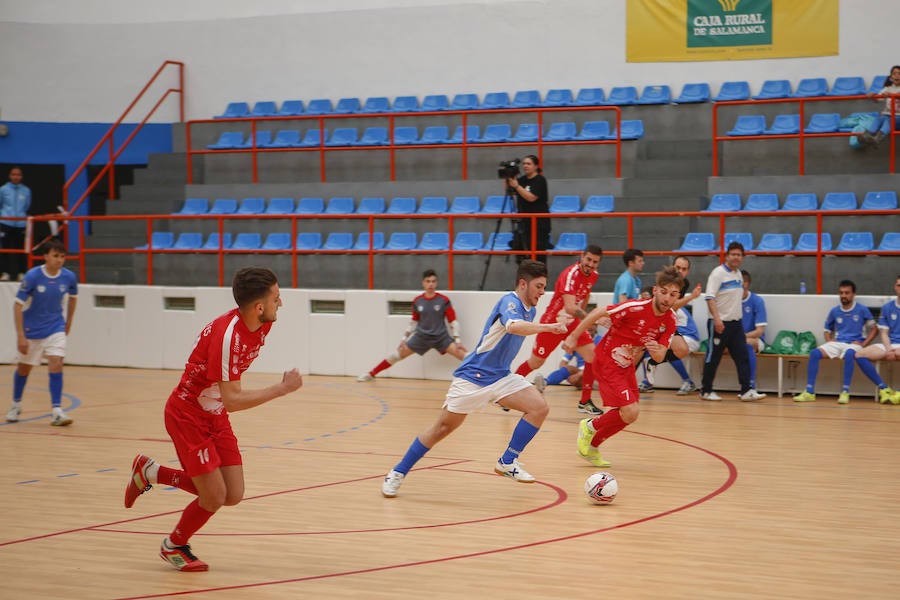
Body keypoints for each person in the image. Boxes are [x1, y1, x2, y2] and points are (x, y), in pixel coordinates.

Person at [123, 267, 303, 571]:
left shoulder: (262, 324)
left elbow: (225, 400)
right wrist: (281, 389)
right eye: (277, 298)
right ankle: (174, 546)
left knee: (232, 494)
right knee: (214, 496)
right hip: (187, 416)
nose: (280, 304)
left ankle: (151, 472)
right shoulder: (227, 336)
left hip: (213, 413)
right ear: (259, 307)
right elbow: (232, 399)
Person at [381, 261, 568, 498]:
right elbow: (513, 327)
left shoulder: (530, 309)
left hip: (501, 377)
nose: (542, 292)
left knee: (539, 408)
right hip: (473, 377)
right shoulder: (509, 302)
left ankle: (507, 461)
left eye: (544, 287)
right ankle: (398, 472)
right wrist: (548, 328)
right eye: (539, 286)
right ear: (523, 283)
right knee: (442, 428)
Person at [565, 266, 683, 468]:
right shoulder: (635, 307)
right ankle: (590, 426)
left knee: (630, 414)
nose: (667, 298)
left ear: (678, 297)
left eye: (673, 295)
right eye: (664, 292)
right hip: (607, 360)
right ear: (655, 290)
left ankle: (592, 447)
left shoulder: (670, 320)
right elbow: (598, 312)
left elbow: (661, 354)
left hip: (625, 365)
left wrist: (655, 350)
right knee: (630, 410)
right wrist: (574, 336)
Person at [513, 245, 604, 414]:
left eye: (595, 262)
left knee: (593, 356)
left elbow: (584, 298)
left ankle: (585, 402)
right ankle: (508, 391)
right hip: (553, 323)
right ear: (582, 257)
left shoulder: (594, 276)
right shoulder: (571, 274)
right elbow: (570, 307)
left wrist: (582, 320)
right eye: (588, 259)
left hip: (572, 322)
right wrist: (592, 318)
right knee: (536, 362)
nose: (591, 264)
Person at [5, 239, 78, 426]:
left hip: (55, 327)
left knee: (56, 363)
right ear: (45, 256)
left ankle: (56, 411)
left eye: (62, 256)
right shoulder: (32, 276)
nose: (59, 260)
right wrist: (21, 335)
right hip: (32, 330)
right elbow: (17, 306)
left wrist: (68, 321)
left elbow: (73, 298)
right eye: (55, 256)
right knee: (24, 369)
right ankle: (16, 404)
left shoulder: (69, 277)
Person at [357, 269, 467, 382]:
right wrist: (404, 339)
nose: (431, 284)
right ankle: (371, 374)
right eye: (428, 281)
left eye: (433, 281)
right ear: (423, 283)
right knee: (396, 355)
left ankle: (484, 377)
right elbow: (413, 322)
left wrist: (457, 341)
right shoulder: (417, 301)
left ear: (436, 283)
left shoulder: (443, 300)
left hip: (441, 337)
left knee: (466, 356)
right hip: (421, 337)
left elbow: (453, 321)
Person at [699, 242, 765, 402]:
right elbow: (709, 297)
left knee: (742, 356)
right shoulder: (718, 273)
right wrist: (717, 319)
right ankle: (706, 391)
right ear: (727, 255)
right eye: (733, 254)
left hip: (736, 324)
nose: (736, 257)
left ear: (742, 257)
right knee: (713, 357)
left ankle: (746, 390)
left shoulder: (738, 275)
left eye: (739, 255)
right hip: (719, 323)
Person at [793, 279, 877, 405]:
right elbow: (827, 329)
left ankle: (845, 392)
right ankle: (809, 391)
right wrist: (829, 341)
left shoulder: (862, 309)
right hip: (838, 342)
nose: (843, 296)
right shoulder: (835, 311)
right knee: (815, 353)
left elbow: (875, 329)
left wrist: (864, 344)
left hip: (854, 344)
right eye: (841, 293)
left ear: (853, 294)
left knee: (849, 354)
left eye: (847, 293)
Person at [854, 275, 900, 404]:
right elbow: (884, 333)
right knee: (859, 354)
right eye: (899, 285)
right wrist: (889, 349)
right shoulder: (887, 308)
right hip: (891, 344)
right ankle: (884, 389)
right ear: (895, 287)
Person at [506, 155, 550, 264]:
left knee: (537, 257)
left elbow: (531, 197)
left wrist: (517, 186)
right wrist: (508, 178)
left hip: (538, 224)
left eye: (528, 163)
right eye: (524, 164)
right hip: (524, 223)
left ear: (536, 166)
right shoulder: (521, 180)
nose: (525, 166)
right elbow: (510, 192)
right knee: (521, 256)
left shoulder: (540, 180)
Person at [0, 166, 31, 281]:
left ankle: (21, 273)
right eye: (13, 174)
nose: (16, 177)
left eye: (18, 175)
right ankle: (5, 273)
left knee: (22, 250)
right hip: (5, 223)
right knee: (5, 249)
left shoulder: (26, 190)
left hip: (21, 224)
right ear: (10, 176)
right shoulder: (3, 189)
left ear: (21, 176)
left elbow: (27, 206)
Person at [741, 270, 768, 391]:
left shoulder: (757, 301)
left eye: (742, 282)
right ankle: (708, 387)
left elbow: (759, 331)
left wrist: (741, 337)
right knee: (716, 345)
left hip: (755, 340)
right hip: (734, 339)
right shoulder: (730, 301)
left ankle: (750, 385)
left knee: (747, 345)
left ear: (747, 284)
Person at [861, 66, 900, 147]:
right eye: (894, 74)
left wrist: (891, 95)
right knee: (879, 119)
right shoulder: (888, 88)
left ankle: (877, 139)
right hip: (888, 115)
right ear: (891, 77)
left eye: (899, 74)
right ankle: (866, 136)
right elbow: (878, 99)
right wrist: (873, 96)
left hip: (898, 117)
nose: (897, 75)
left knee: (890, 120)